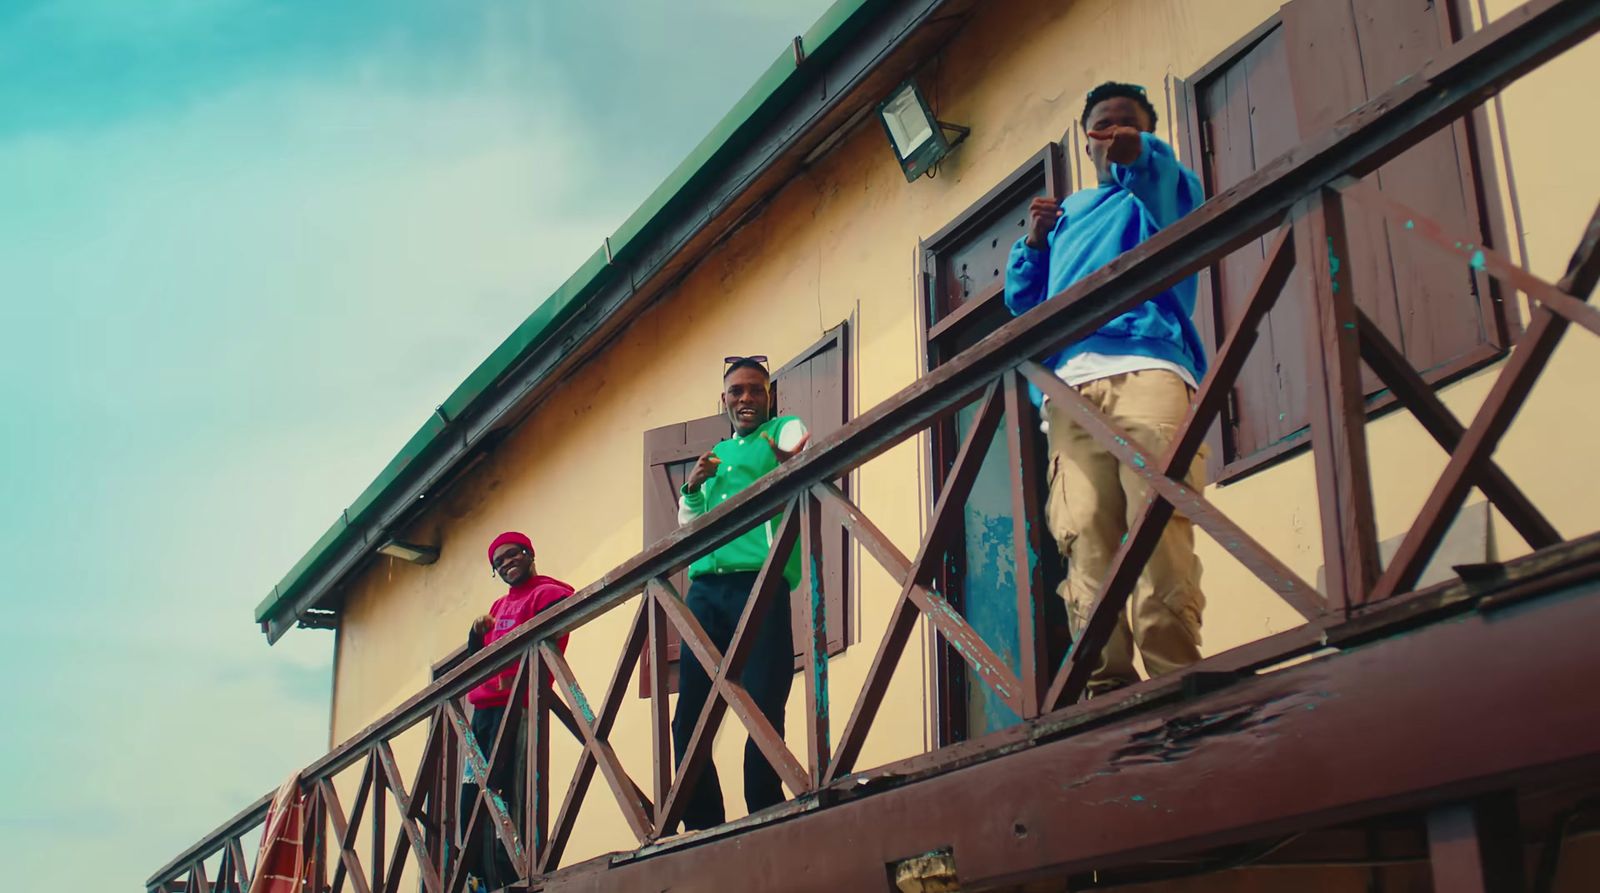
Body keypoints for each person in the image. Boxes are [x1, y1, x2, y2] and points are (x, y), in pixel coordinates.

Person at [1004, 81, 1209, 696]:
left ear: (1145, 134)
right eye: (1103, 125)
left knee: (1157, 516)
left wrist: (1141, 155)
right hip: (1069, 387)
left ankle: (1175, 673)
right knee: (1084, 531)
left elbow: (1168, 195)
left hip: (1149, 366)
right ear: (1085, 140)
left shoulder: (1164, 187)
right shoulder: (1070, 215)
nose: (1114, 133)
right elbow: (1025, 304)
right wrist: (1035, 244)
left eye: (1129, 125)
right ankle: (1105, 684)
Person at [671, 356, 809, 831]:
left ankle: (765, 814)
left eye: (755, 390)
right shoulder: (713, 456)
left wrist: (788, 452)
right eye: (736, 392)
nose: (746, 399)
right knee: (688, 717)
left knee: (765, 703)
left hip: (760, 583)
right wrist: (692, 486)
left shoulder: (781, 429)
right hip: (707, 590)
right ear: (724, 399)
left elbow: (798, 444)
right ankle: (703, 823)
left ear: (768, 395)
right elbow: (688, 526)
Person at [459, 531, 574, 889]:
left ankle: (511, 871)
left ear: (529, 553)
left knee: (511, 787)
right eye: (499, 563)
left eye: (512, 556)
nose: (507, 564)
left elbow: (559, 613)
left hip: (518, 705)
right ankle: (478, 871)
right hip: (484, 707)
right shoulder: (496, 607)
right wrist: (476, 634)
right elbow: (480, 657)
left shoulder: (548, 592)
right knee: (473, 792)